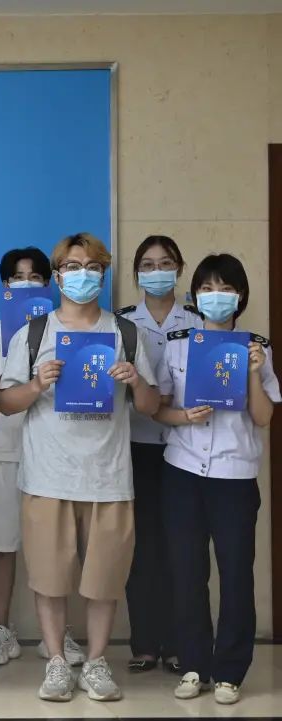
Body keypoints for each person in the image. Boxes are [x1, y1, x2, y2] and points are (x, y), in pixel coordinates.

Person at [0, 232, 160, 703]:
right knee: (50, 578)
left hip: (109, 478)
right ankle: (55, 662)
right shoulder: (34, 334)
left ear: (103, 275)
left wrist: (136, 381)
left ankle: (96, 661)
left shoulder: (126, 333)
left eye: (92, 267)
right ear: (57, 276)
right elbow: (5, 403)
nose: (82, 275)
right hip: (48, 476)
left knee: (104, 580)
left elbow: (151, 406)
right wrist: (36, 385)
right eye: (72, 266)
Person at [153, 253, 278, 705]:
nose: (216, 296)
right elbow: (158, 408)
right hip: (183, 471)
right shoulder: (178, 344)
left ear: (240, 295)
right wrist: (183, 416)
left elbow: (263, 418)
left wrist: (253, 373)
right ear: (195, 296)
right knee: (187, 572)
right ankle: (194, 666)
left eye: (225, 288)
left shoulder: (257, 347)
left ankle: (229, 672)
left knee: (236, 575)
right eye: (206, 288)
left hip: (234, 475)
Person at [0, 247, 86, 666]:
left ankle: (58, 635)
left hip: (57, 452)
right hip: (6, 448)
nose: (26, 284)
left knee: (59, 548)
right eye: (17, 277)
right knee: (3, 544)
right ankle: (1, 630)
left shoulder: (66, 333)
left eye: (35, 276)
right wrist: (18, 371)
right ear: (5, 285)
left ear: (49, 282)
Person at [114, 235, 201, 676]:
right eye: (147, 265)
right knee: (143, 548)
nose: (156, 271)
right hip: (137, 445)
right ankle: (145, 643)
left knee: (182, 549)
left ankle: (180, 644)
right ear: (136, 274)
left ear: (179, 268)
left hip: (187, 448)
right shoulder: (123, 323)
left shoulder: (199, 321)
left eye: (165, 263)